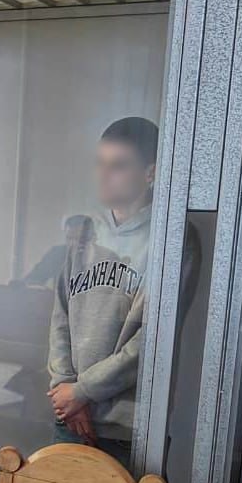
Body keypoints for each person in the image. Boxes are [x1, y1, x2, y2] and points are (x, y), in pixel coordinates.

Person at [47, 117, 161, 460]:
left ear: (150, 173)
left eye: (118, 166)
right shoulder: (87, 233)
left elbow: (150, 340)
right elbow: (60, 316)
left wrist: (82, 391)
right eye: (100, 163)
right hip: (69, 414)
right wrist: (65, 387)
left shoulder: (167, 241)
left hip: (125, 427)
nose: (103, 175)